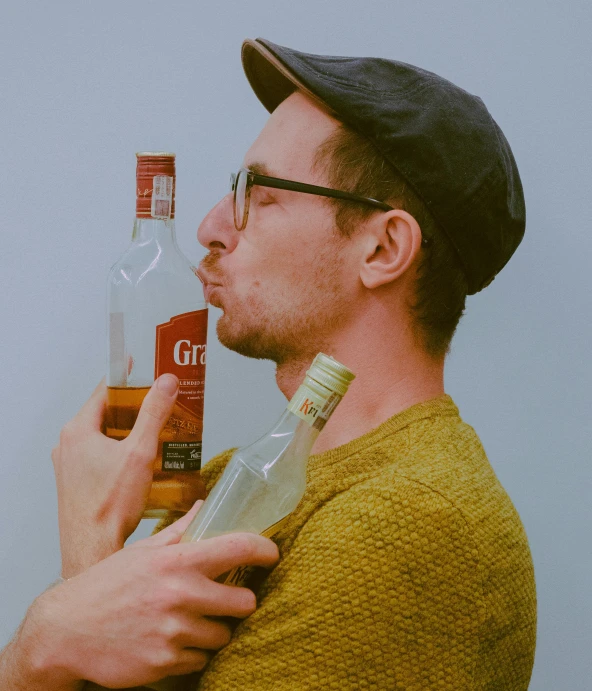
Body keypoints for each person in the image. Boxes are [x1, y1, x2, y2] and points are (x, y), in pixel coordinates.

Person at [0, 38, 537, 690]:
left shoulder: (411, 528)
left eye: (258, 190)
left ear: (383, 247)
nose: (210, 226)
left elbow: (73, 648)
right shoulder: (238, 480)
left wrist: (70, 592)